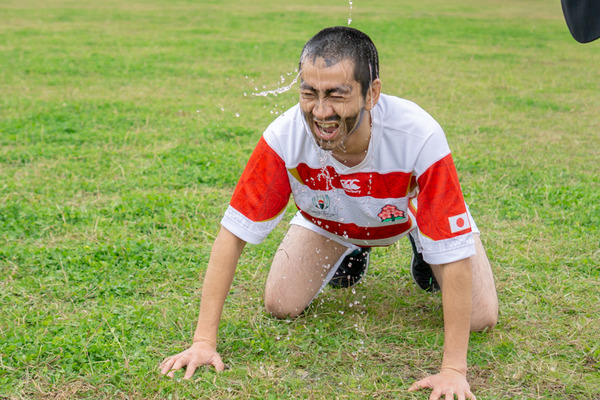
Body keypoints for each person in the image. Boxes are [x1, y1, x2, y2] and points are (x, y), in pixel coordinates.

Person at [160, 26, 498, 399]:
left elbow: (453, 249)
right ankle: (351, 248)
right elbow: (232, 235)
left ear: (372, 93)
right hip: (330, 221)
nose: (321, 112)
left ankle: (423, 247)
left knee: (480, 317)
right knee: (281, 304)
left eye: (337, 95)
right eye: (309, 93)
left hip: (408, 216)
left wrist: (453, 370)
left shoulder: (420, 135)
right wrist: (203, 342)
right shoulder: (284, 136)